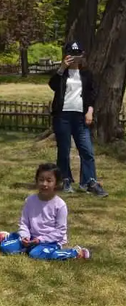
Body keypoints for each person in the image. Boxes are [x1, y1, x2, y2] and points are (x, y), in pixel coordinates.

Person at [0, 163, 90, 260]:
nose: (44, 184)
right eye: (41, 180)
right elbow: (24, 223)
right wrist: (25, 237)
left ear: (56, 183)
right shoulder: (30, 201)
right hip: (30, 238)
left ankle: (75, 253)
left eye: (49, 181)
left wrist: (40, 240)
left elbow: (60, 231)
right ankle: (8, 237)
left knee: (35, 254)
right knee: (4, 248)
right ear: (36, 181)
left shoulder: (60, 205)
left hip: (51, 241)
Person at [49, 40, 107, 197]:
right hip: (63, 116)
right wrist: (62, 67)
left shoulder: (87, 74)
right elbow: (52, 85)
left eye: (77, 54)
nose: (74, 58)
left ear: (82, 56)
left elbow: (92, 94)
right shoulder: (62, 73)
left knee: (87, 150)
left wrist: (90, 111)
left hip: (80, 116)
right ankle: (65, 179)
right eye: (71, 54)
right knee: (64, 149)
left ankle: (89, 181)